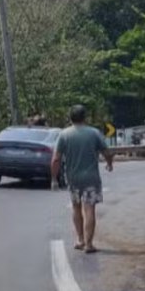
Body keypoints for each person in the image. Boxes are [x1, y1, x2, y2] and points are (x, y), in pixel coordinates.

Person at [51, 105, 114, 253]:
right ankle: (89, 244)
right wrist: (109, 164)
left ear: (70, 118)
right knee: (89, 209)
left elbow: (56, 159)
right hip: (91, 178)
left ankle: (79, 239)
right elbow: (107, 152)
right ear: (85, 117)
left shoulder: (64, 135)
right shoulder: (94, 133)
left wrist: (54, 179)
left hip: (73, 179)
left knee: (76, 207)